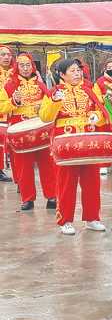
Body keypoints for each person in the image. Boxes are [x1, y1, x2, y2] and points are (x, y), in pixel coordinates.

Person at [39, 58, 110, 235]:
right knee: (66, 183)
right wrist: (55, 102)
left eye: (78, 70)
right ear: (62, 75)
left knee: (92, 181)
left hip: (87, 140)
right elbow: (45, 117)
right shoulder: (54, 92)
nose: (77, 73)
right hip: (66, 143)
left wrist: (96, 117)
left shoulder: (88, 90)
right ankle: (65, 220)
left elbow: (100, 111)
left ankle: (92, 218)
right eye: (72, 71)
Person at [0, 53, 57, 211]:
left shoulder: (40, 84)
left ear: (32, 66)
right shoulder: (9, 85)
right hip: (20, 130)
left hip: (40, 128)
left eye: (28, 65)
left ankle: (52, 196)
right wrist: (14, 102)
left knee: (47, 163)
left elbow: (50, 101)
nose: (25, 68)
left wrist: (43, 107)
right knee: (23, 165)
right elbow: (1, 107)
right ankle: (27, 198)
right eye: (22, 65)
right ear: (16, 67)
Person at [0, 45, 16, 183]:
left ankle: (18, 175)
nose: (6, 57)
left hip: (13, 112)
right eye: (3, 54)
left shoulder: (15, 73)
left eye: (8, 55)